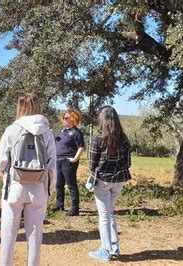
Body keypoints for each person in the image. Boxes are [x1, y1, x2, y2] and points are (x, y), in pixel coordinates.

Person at [0, 93, 57, 266]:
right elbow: (52, 164)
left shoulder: (12, 129)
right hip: (39, 187)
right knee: (35, 234)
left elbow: (0, 162)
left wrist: (2, 174)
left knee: (8, 232)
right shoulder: (47, 132)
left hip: (14, 186)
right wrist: (50, 188)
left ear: (20, 107)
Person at [88, 106, 132, 262]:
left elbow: (92, 165)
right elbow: (128, 162)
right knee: (110, 213)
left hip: (103, 182)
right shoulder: (124, 138)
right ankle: (114, 248)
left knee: (104, 216)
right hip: (119, 182)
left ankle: (105, 251)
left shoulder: (99, 139)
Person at [53, 109, 85, 216]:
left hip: (68, 161)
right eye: (64, 117)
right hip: (58, 160)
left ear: (73, 119)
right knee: (59, 184)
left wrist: (75, 159)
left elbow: (81, 147)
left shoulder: (76, 133)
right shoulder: (61, 131)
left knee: (71, 185)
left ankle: (75, 209)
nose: (64, 119)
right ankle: (59, 205)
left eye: (66, 117)